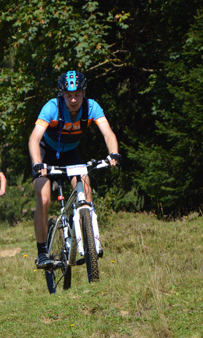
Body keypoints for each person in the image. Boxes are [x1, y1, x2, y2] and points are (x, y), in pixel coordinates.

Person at [28, 70, 120, 269]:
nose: (73, 99)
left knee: (85, 188)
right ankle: (42, 252)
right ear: (62, 95)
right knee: (43, 198)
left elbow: (108, 133)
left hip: (70, 153)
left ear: (83, 92)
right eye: (69, 95)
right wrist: (37, 163)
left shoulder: (91, 107)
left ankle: (90, 238)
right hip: (45, 153)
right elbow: (34, 139)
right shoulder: (52, 107)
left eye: (77, 94)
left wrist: (113, 154)